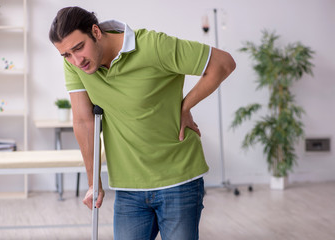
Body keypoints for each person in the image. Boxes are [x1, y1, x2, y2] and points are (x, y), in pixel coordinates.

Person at [49, 6, 235, 240]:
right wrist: (93, 182)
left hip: (177, 179)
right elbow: (84, 121)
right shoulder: (75, 65)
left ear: (95, 32)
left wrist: (185, 106)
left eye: (79, 48)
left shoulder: (153, 46)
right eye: (66, 54)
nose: (76, 60)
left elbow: (222, 63)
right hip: (128, 187)